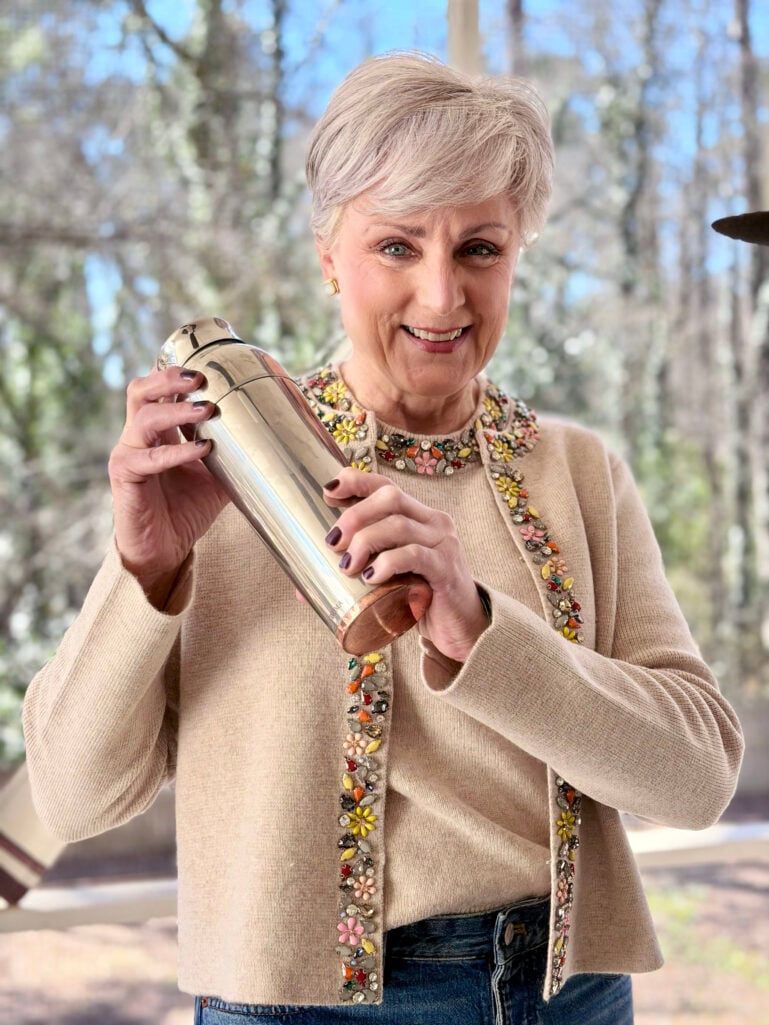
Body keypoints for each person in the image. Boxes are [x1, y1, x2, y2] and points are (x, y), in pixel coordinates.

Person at [23, 51, 743, 1025]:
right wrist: (144, 567)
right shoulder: (220, 461)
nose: (442, 298)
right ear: (329, 253)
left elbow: (695, 778)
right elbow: (71, 799)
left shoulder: (574, 473)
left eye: (479, 249)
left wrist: (479, 629)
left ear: (518, 253)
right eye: (397, 246)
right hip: (294, 1005)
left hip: (558, 994)